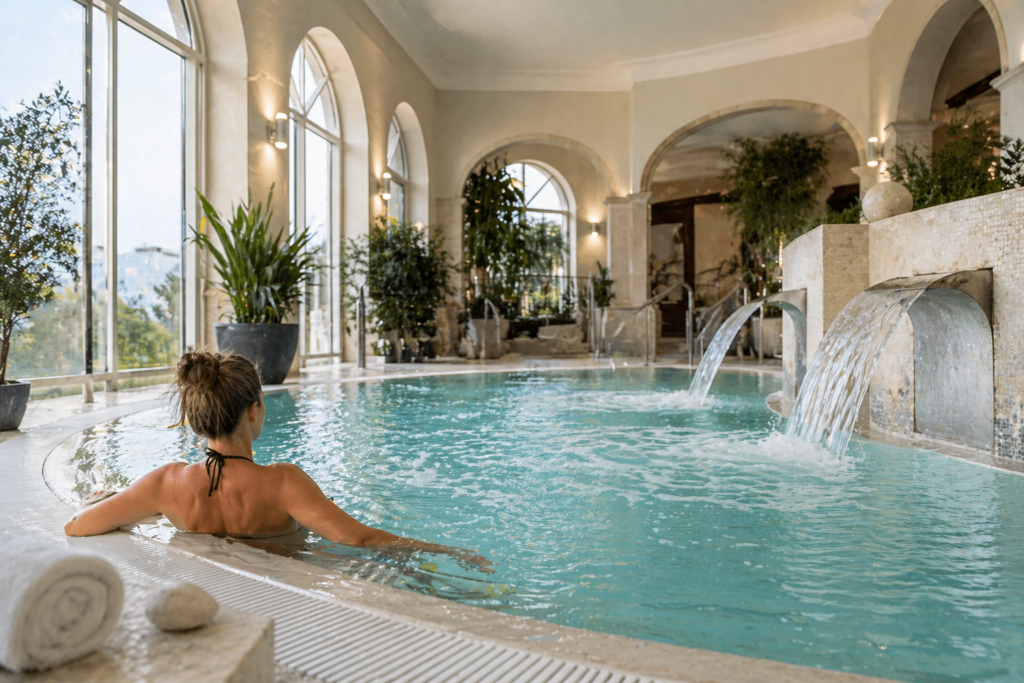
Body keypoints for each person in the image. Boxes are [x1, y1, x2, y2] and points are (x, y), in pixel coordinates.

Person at [64, 348, 491, 573]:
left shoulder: (165, 484)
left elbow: (78, 526)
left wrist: (121, 500)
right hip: (283, 585)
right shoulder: (283, 482)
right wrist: (445, 550)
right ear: (254, 410)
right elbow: (359, 539)